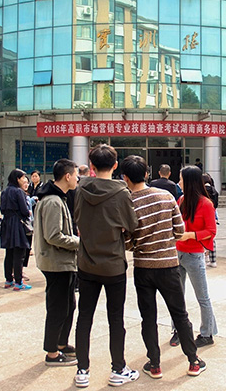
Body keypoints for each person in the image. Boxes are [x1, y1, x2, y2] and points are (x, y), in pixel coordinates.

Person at [122, 155, 207, 379]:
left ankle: (155, 364)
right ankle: (193, 361)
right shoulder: (166, 196)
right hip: (169, 266)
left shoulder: (128, 203)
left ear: (125, 178)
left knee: (148, 317)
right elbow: (179, 232)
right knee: (180, 314)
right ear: (147, 174)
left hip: (143, 268)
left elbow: (128, 242)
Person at [73, 144, 139, 388]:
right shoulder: (121, 193)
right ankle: (118, 369)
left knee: (84, 318)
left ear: (91, 166)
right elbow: (132, 225)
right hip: (113, 265)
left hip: (86, 263)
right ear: (115, 165)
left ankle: (82, 370)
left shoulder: (80, 190)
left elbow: (77, 218)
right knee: (116, 319)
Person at [34, 159, 80, 366]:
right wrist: (80, 243)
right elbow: (54, 236)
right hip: (56, 263)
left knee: (68, 305)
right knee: (58, 308)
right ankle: (52, 353)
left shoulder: (58, 198)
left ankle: (61, 343)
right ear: (67, 176)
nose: (78, 179)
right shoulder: (53, 201)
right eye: (76, 175)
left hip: (63, 262)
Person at [171, 166, 218, 349]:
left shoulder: (206, 204)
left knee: (203, 297)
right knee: (177, 296)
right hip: (177, 253)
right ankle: (178, 330)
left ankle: (207, 334)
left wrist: (190, 235)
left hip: (194, 255)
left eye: (181, 179)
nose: (179, 182)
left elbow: (211, 231)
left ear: (189, 181)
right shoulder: (181, 200)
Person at [0, 169, 32, 291]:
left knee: (9, 253)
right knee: (19, 253)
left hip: (6, 223)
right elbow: (24, 210)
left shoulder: (5, 191)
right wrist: (28, 212)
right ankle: (19, 282)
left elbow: (2, 209)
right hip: (17, 225)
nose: (24, 180)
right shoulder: (19, 192)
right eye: (23, 178)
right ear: (17, 179)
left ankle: (8, 280)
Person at [202, 173, 219, 267]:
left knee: (202, 236)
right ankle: (213, 260)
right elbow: (216, 205)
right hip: (213, 214)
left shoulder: (202, 190)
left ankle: (204, 258)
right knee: (211, 238)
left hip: (203, 214)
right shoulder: (214, 190)